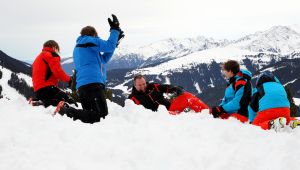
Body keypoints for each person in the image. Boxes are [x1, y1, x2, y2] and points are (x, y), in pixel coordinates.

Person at [56, 14, 124, 123]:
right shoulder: (88, 41)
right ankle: (68, 112)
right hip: (93, 85)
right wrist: (115, 29)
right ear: (93, 34)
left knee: (91, 118)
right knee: (101, 115)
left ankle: (67, 110)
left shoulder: (83, 48)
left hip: (84, 87)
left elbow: (104, 59)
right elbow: (108, 46)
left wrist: (114, 43)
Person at [128, 74, 209, 114]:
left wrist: (175, 89)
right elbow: (134, 114)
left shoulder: (152, 86)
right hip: (159, 116)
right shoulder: (133, 98)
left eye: (144, 84)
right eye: (140, 85)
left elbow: (165, 87)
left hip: (170, 107)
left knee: (187, 96)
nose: (143, 86)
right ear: (135, 85)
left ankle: (209, 113)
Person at [31, 40, 75, 107]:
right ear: (54, 47)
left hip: (38, 90)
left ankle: (42, 102)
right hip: (47, 88)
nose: (57, 51)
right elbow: (58, 72)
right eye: (57, 49)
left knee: (56, 100)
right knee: (67, 101)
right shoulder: (51, 55)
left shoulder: (38, 57)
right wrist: (69, 80)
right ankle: (44, 103)